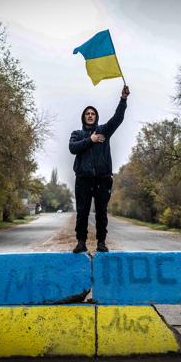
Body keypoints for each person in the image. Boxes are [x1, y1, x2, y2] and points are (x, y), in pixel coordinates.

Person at [69, 85, 130, 253]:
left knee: (101, 213)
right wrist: (91, 139)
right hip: (83, 179)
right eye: (87, 114)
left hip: (102, 179)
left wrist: (123, 100)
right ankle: (81, 242)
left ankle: (101, 242)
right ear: (83, 117)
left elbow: (117, 119)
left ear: (96, 117)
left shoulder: (104, 131)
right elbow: (72, 148)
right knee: (82, 212)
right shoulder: (77, 134)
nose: (90, 116)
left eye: (92, 113)